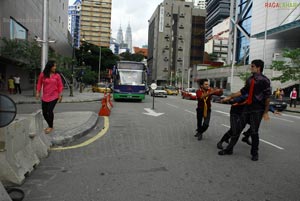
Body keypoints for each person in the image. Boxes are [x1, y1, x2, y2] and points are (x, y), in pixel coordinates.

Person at [221, 59, 271, 161]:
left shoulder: (265, 80)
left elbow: (267, 97)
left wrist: (266, 112)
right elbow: (242, 92)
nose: (250, 68)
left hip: (257, 109)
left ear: (258, 68)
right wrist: (230, 97)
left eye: (252, 66)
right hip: (247, 108)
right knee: (237, 129)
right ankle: (229, 149)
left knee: (254, 132)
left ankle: (254, 153)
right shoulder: (249, 79)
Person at [36, 60, 63, 134]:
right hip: (45, 96)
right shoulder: (43, 74)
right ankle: (50, 124)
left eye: (55, 66)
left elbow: (60, 85)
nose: (55, 67)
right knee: (44, 113)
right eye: (54, 66)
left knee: (49, 111)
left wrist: (60, 95)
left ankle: (50, 126)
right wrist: (37, 92)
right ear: (50, 66)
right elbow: (39, 84)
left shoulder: (57, 75)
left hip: (54, 96)